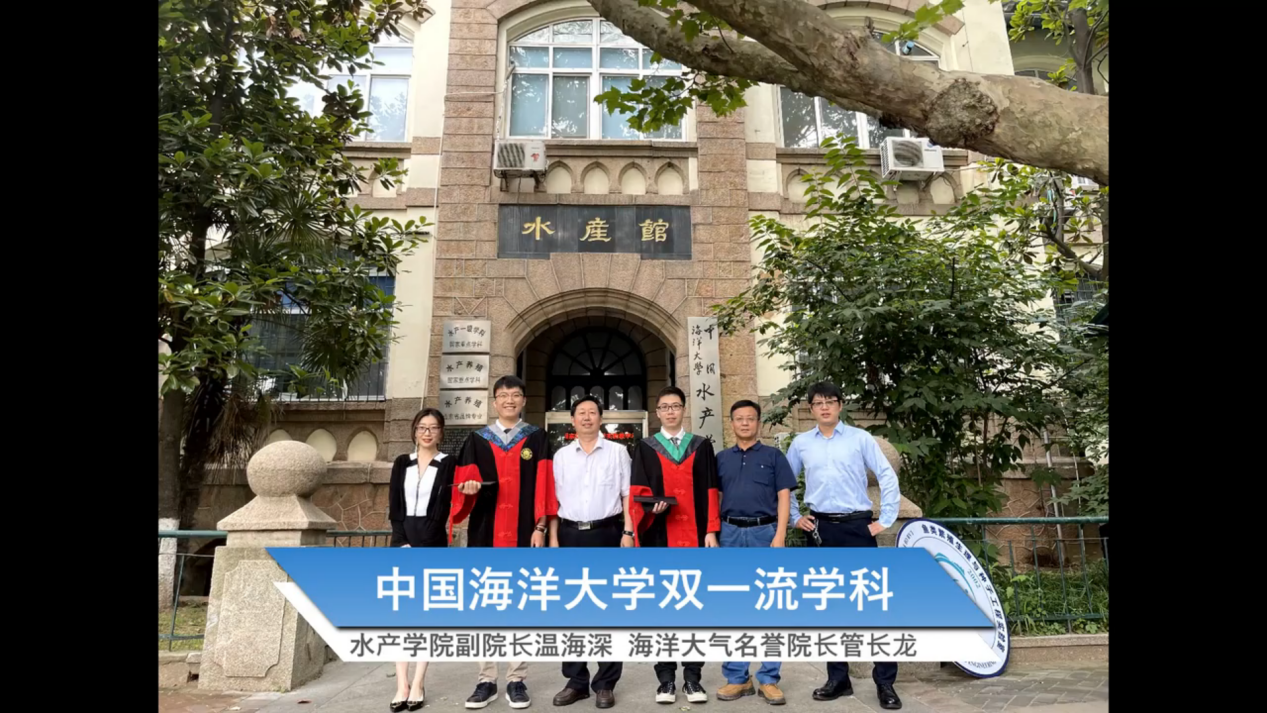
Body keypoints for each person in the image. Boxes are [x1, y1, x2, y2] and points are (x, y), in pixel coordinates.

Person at [785, 382, 902, 711]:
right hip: (820, 529)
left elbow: (886, 475)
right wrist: (795, 517)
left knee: (874, 606)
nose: (824, 407)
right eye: (818, 403)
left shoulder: (860, 438)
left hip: (857, 527)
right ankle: (838, 678)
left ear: (840, 405)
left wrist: (886, 519)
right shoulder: (801, 443)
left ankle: (885, 682)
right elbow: (786, 484)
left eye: (830, 401)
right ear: (811, 408)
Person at [451, 375, 554, 710]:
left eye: (516, 395)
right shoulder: (477, 440)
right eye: (504, 395)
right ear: (494, 401)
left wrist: (540, 526)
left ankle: (516, 679)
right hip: (485, 533)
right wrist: (466, 490)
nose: (510, 400)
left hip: (525, 532)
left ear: (524, 400)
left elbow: (545, 484)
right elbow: (462, 487)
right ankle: (486, 679)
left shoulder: (537, 437)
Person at [628, 386, 719, 705]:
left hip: (696, 536)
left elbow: (711, 490)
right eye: (664, 407)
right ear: (657, 413)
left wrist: (711, 530)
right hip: (658, 537)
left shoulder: (701, 446)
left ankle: (693, 679)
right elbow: (637, 491)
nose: (670, 411)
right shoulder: (645, 447)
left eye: (675, 406)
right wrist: (649, 510)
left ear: (683, 409)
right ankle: (666, 680)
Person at [547, 396, 633, 710]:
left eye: (592, 412)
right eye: (581, 413)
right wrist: (553, 538)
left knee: (608, 609)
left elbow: (628, 495)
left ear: (601, 418)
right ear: (572, 420)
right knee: (571, 608)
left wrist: (628, 532)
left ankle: (606, 682)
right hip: (569, 534)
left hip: (607, 532)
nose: (586, 417)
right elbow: (553, 501)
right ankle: (576, 681)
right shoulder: (561, 456)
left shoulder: (618, 452)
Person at [713, 400, 795, 706]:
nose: (745, 423)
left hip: (765, 533)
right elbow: (716, 497)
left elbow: (784, 497)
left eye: (750, 418)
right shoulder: (722, 459)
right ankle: (737, 677)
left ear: (758, 423)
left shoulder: (773, 456)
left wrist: (780, 534)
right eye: (739, 419)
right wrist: (714, 533)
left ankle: (769, 678)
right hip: (730, 533)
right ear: (732, 423)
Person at [388, 408, 455, 711]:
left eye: (433, 428)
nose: (427, 433)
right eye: (422, 427)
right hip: (402, 540)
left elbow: (442, 509)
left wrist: (424, 545)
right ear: (414, 431)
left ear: (441, 432)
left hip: (432, 542)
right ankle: (401, 684)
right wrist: (401, 541)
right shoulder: (402, 462)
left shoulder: (448, 463)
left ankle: (418, 682)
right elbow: (394, 504)